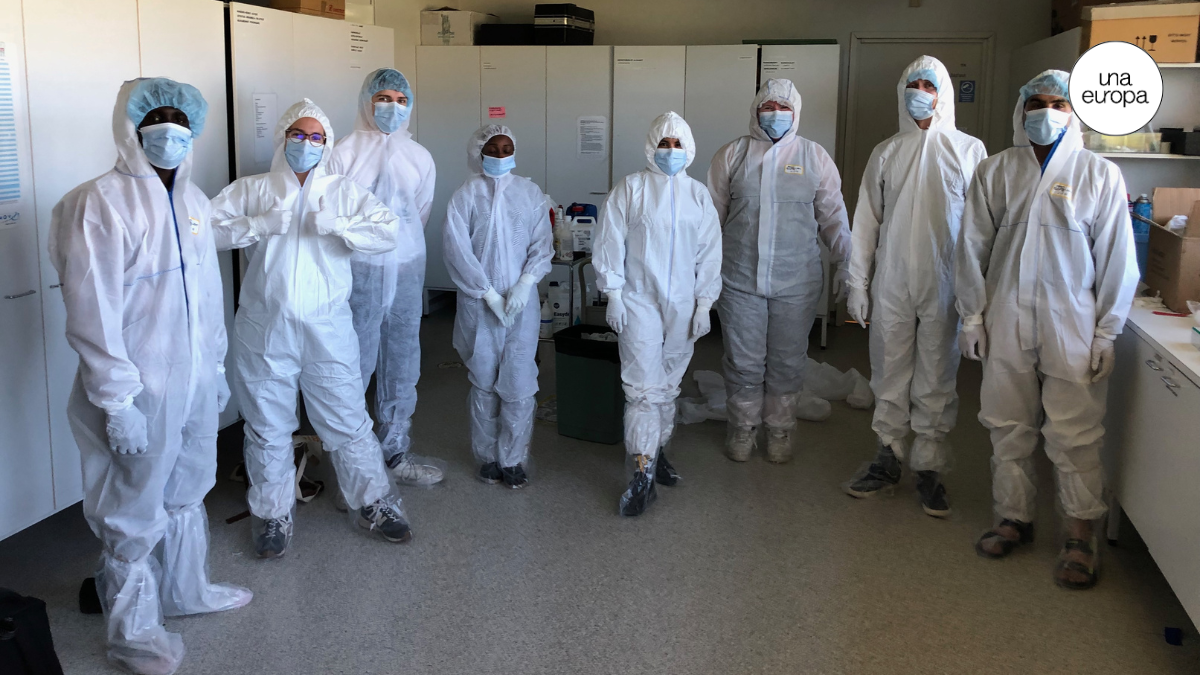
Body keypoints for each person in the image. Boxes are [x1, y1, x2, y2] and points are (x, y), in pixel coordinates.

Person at [49, 77, 252, 675]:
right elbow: (92, 310)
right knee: (132, 505)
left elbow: (207, 298)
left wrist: (216, 367)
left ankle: (185, 590)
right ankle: (133, 635)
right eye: (157, 119)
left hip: (193, 381)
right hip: (138, 389)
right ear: (130, 128)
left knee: (190, 483)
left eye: (181, 121)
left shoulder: (195, 203)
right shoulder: (98, 202)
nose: (170, 131)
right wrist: (117, 402)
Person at [955, 70, 1139, 589]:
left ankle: (1080, 533)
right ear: (1021, 109)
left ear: (1074, 112)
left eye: (1059, 104)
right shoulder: (995, 170)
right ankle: (1013, 517)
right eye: (1036, 102)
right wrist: (972, 315)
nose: (1046, 112)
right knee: (1007, 422)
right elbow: (970, 247)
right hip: (1007, 313)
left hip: (1071, 319)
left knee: (1076, 430)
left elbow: (1118, 257)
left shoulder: (1099, 173)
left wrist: (1106, 331)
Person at [212, 99, 412, 557]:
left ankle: (375, 502)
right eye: (298, 135)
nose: (306, 144)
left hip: (328, 328)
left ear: (327, 143)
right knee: (267, 425)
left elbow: (388, 232)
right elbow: (203, 232)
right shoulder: (253, 190)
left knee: (347, 419)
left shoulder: (342, 191)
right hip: (266, 328)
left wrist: (341, 226)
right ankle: (272, 514)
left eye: (316, 136)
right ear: (283, 138)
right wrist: (256, 224)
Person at [841, 56, 988, 517]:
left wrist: (976, 303)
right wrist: (857, 281)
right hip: (893, 278)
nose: (919, 91)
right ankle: (887, 458)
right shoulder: (887, 151)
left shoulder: (969, 150)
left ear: (943, 93)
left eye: (928, 84)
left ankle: (929, 466)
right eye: (912, 83)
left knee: (937, 373)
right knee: (888, 367)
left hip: (945, 280)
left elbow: (980, 229)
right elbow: (866, 219)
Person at [707, 79, 852, 464]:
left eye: (783, 106)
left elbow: (833, 217)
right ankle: (742, 427)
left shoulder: (814, 155)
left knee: (788, 361)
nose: (775, 113)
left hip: (797, 279)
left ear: (796, 112)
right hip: (739, 278)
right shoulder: (732, 154)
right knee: (743, 360)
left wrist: (847, 263)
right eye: (768, 106)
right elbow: (709, 220)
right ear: (755, 110)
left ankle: (780, 429)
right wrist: (698, 270)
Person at [594, 112, 722, 516]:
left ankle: (657, 451)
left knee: (668, 384)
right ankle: (641, 471)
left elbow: (709, 254)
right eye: (664, 143)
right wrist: (613, 294)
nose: (670, 151)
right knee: (642, 389)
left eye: (677, 144)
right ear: (652, 146)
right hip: (639, 300)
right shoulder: (631, 189)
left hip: (683, 304)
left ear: (688, 148)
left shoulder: (698, 195)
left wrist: (705, 304)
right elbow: (609, 241)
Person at [329, 68, 442, 486]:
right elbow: (331, 215)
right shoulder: (342, 153)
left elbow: (420, 213)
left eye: (401, 100)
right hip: (358, 271)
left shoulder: (419, 156)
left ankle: (395, 452)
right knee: (351, 366)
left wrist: (397, 251)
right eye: (384, 98)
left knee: (402, 361)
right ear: (367, 101)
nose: (392, 107)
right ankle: (353, 469)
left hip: (406, 269)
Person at [442, 125, 553, 488]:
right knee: (485, 381)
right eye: (493, 149)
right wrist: (488, 293)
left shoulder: (529, 193)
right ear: (479, 152)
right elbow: (457, 250)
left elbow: (541, 243)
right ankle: (488, 457)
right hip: (479, 305)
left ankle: (514, 459)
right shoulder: (465, 196)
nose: (501, 155)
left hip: (522, 304)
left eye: (507, 149)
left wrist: (525, 283)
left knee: (519, 382)